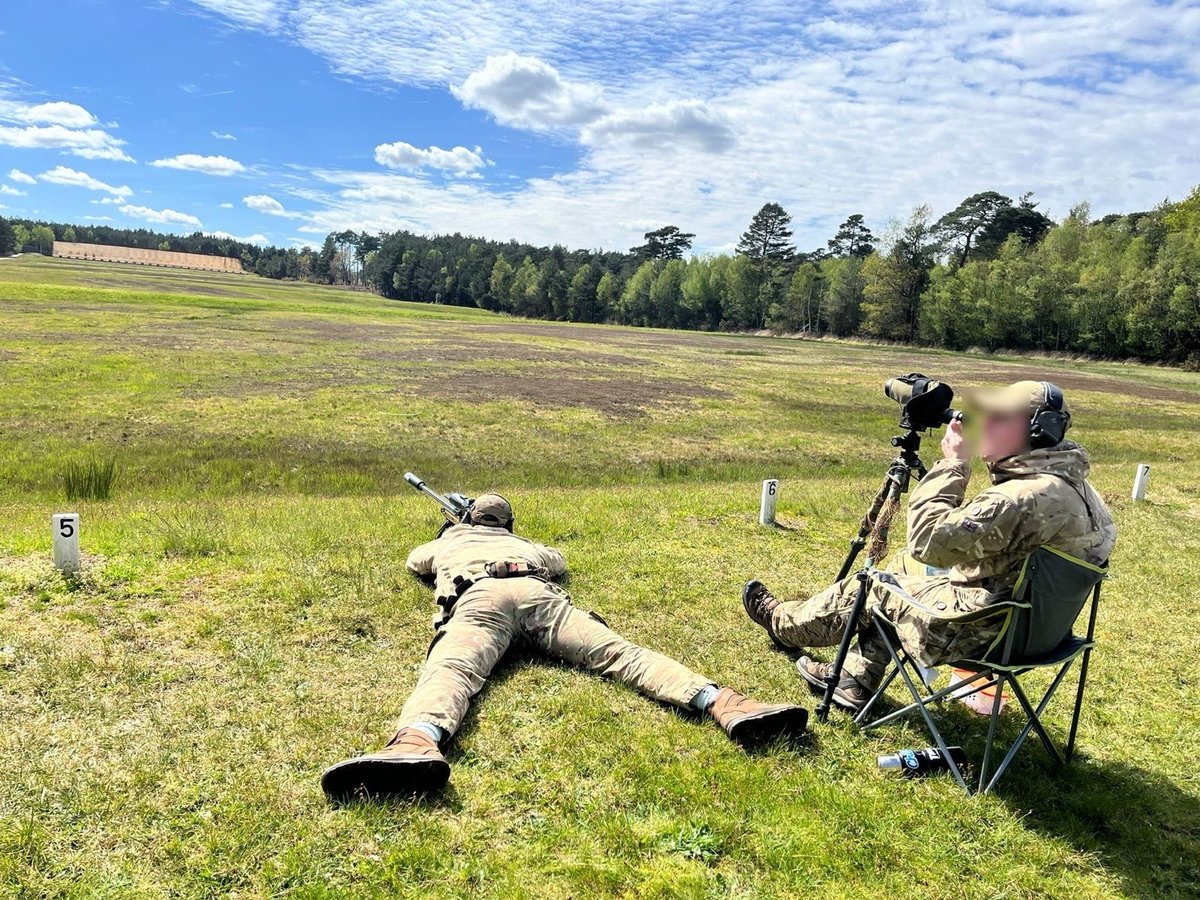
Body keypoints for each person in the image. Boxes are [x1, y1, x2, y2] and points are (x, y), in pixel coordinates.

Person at [322, 493, 808, 800]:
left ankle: (417, 741)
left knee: (452, 669)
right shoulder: (527, 546)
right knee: (622, 654)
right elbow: (557, 560)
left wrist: (451, 533)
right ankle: (724, 702)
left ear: (468, 517)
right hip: (538, 593)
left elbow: (416, 561)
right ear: (507, 522)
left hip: (480, 596)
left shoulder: (452, 541)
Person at [742, 380, 1117, 712]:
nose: (985, 424)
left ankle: (782, 623)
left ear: (1039, 431)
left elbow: (927, 542)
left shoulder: (1021, 498)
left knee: (872, 585)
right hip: (1037, 633)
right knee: (903, 567)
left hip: (973, 634)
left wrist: (953, 465)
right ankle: (854, 678)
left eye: (1001, 418)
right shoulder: (1083, 493)